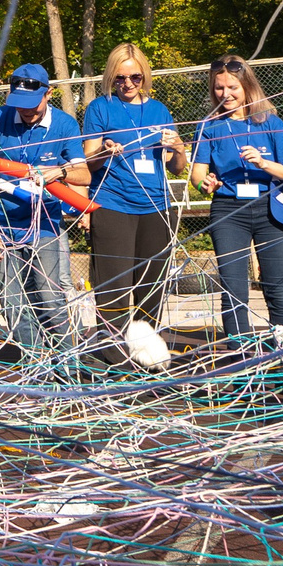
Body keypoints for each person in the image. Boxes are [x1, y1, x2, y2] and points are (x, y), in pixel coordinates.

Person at [0, 64, 91, 372]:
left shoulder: (64, 124)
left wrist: (61, 171)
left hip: (45, 225)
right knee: (13, 304)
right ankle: (34, 367)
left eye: (31, 104)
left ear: (48, 94)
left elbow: (83, 174)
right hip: (3, 224)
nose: (25, 112)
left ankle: (68, 367)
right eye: (19, 104)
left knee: (50, 298)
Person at [78, 43, 183, 368]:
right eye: (120, 77)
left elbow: (177, 166)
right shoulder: (100, 108)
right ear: (111, 76)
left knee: (151, 287)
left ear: (144, 76)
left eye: (135, 77)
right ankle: (115, 361)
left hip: (156, 207)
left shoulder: (159, 110)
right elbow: (88, 163)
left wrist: (177, 146)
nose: (127, 84)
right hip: (113, 206)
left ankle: (147, 358)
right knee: (114, 288)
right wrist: (104, 152)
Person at [188, 56, 283, 343]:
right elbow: (198, 175)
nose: (225, 94)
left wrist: (264, 164)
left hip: (271, 208)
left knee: (277, 287)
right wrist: (206, 184)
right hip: (228, 210)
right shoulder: (209, 126)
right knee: (233, 289)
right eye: (218, 88)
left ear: (247, 86)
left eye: (232, 87)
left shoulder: (270, 122)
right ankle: (241, 359)